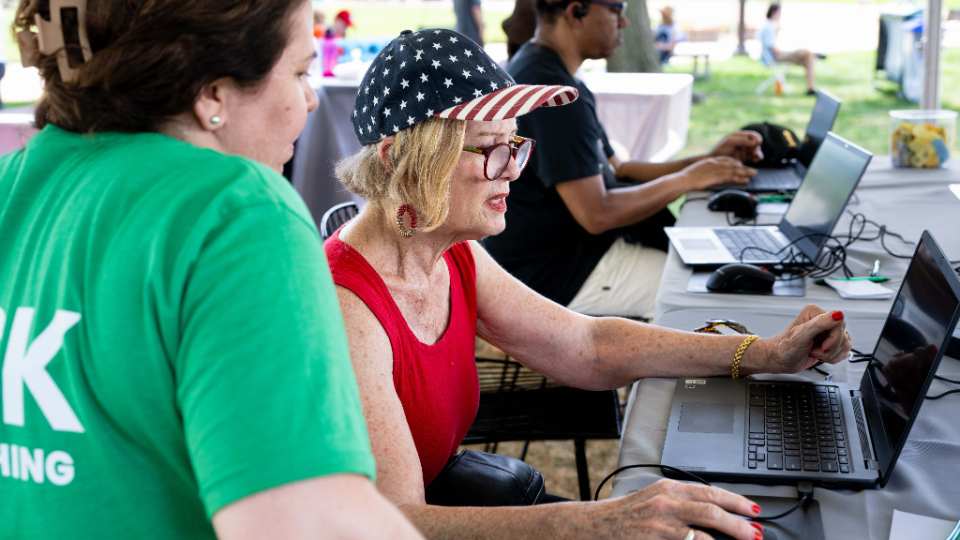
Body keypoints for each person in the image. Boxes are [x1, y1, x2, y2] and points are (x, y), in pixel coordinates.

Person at [328, 28, 852, 540]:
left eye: (514, 145)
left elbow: (586, 346)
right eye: (489, 149)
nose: (512, 170)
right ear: (400, 160)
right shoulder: (346, 306)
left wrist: (765, 352)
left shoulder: (447, 249)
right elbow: (394, 525)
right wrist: (597, 521)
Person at [0, 1, 425, 539]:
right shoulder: (235, 209)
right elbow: (300, 522)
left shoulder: (13, 182)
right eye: (299, 72)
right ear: (212, 94)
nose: (311, 99)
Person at [483, 0, 761, 320]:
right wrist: (688, 180)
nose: (624, 23)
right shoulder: (553, 93)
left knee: (705, 265)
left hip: (569, 255)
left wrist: (706, 162)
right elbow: (596, 214)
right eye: (617, 10)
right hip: (557, 275)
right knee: (701, 290)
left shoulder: (547, 69)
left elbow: (620, 170)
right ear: (576, 12)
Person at [759, 3, 818, 96]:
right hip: (774, 57)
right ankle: (815, 54)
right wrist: (787, 52)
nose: (780, 15)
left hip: (777, 55)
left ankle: (810, 89)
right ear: (774, 13)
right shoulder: (768, 27)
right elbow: (773, 49)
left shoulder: (771, 26)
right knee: (805, 52)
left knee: (809, 59)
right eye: (779, 12)